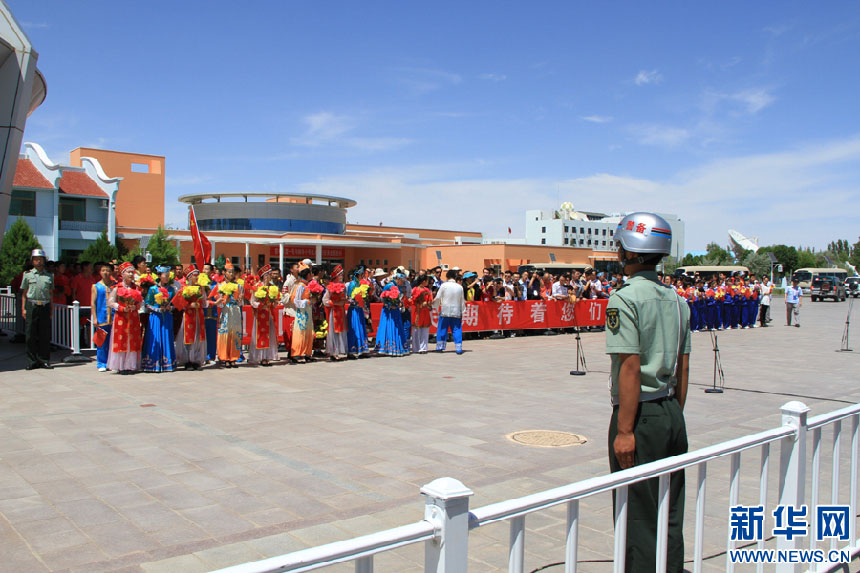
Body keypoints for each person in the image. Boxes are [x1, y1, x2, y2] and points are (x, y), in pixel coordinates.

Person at [605, 212, 689, 572]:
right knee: (670, 511)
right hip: (671, 412)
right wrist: (674, 413)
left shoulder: (623, 299)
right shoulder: (678, 301)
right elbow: (684, 367)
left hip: (638, 414)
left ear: (630, 251)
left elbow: (630, 367)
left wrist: (625, 431)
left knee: (637, 514)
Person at [21, 249, 54, 370]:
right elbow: (24, 293)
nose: (38, 262)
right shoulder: (27, 275)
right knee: (30, 334)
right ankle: (32, 361)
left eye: (40, 259)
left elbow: (51, 293)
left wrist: (51, 307)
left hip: (44, 305)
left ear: (44, 261)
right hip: (32, 305)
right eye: (36, 259)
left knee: (44, 334)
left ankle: (44, 359)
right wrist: (23, 309)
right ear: (32, 261)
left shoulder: (49, 276)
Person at [107, 262, 143, 374]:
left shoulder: (136, 287)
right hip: (121, 317)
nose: (131, 275)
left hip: (133, 317)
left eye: (132, 272)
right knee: (121, 339)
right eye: (128, 272)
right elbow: (110, 302)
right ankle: (121, 365)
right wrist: (121, 308)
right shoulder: (117, 287)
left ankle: (131, 365)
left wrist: (135, 306)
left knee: (132, 339)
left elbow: (141, 303)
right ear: (122, 274)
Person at [142, 266, 177, 372]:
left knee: (167, 337)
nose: (166, 278)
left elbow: (175, 303)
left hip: (166, 316)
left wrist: (170, 307)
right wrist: (157, 309)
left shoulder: (171, 289)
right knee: (155, 338)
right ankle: (153, 364)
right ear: (159, 276)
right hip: (156, 317)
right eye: (164, 276)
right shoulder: (153, 289)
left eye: (167, 276)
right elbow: (147, 304)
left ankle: (167, 363)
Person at [175, 265, 208, 370]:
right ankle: (187, 360)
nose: (197, 278)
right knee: (188, 336)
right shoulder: (184, 288)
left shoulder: (200, 288)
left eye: (197, 275)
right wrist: (189, 305)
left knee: (198, 336)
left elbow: (205, 303)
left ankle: (196, 360)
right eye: (194, 275)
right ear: (189, 277)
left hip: (198, 315)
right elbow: (178, 304)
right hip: (189, 316)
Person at [248, 265, 279, 366]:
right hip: (260, 314)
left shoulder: (271, 287)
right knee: (260, 334)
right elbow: (252, 301)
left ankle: (266, 357)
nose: (270, 276)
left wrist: (274, 302)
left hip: (268, 313)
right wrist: (260, 305)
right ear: (264, 276)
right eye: (269, 274)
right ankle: (259, 357)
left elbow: (275, 301)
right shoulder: (257, 286)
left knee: (268, 334)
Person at [216, 263, 244, 367]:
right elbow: (218, 304)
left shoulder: (238, 286)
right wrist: (223, 300)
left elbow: (241, 303)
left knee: (235, 333)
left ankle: (234, 357)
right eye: (229, 272)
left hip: (235, 310)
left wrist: (240, 300)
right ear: (224, 273)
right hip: (226, 310)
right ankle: (224, 357)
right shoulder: (221, 285)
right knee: (225, 332)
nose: (231, 274)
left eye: (232, 272)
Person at [433, 269, 466, 354]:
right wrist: (463, 311)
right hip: (456, 311)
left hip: (445, 310)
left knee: (442, 328)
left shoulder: (444, 285)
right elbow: (462, 300)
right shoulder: (459, 287)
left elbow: (438, 297)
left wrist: (435, 307)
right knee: (456, 329)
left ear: (447, 277)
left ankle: (440, 346)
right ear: (455, 277)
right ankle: (458, 348)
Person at [91, 262, 114, 371]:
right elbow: (93, 303)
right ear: (100, 272)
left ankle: (112, 362)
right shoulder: (96, 286)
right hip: (101, 317)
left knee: (112, 341)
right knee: (101, 341)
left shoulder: (115, 285)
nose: (106, 272)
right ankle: (101, 363)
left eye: (108, 270)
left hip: (114, 318)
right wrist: (95, 317)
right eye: (103, 270)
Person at [323, 265, 349, 360]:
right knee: (334, 331)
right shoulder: (330, 287)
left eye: (342, 274)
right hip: (334, 311)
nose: (342, 276)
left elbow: (345, 297)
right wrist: (334, 303)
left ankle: (340, 350)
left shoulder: (343, 286)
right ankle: (333, 352)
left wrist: (345, 301)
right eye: (340, 274)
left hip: (341, 311)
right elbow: (325, 300)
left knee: (342, 330)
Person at [290, 266, 316, 362]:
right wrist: (307, 301)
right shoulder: (300, 286)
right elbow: (296, 301)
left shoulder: (307, 285)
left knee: (308, 332)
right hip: (301, 312)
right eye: (310, 273)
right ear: (307, 275)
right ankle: (297, 354)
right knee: (301, 332)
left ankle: (307, 353)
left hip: (308, 312)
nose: (312, 275)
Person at [376, 278, 407, 356]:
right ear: (398, 279)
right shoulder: (389, 285)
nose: (402, 282)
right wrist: (389, 305)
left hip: (395, 310)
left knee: (397, 327)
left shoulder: (398, 287)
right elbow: (382, 297)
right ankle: (386, 347)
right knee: (387, 327)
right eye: (402, 280)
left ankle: (396, 347)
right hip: (388, 311)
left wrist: (399, 303)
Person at [346, 267, 371, 358]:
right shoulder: (352, 284)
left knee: (361, 327)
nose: (363, 276)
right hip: (353, 310)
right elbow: (348, 297)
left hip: (360, 309)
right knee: (354, 328)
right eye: (362, 274)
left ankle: (362, 349)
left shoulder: (361, 283)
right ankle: (352, 351)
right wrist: (355, 300)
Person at [411, 275, 433, 353]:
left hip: (425, 312)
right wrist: (420, 304)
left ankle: (423, 348)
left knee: (424, 331)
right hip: (417, 312)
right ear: (424, 281)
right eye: (427, 281)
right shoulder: (415, 290)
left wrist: (429, 303)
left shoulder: (427, 290)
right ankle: (416, 348)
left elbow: (430, 300)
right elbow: (413, 301)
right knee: (416, 331)